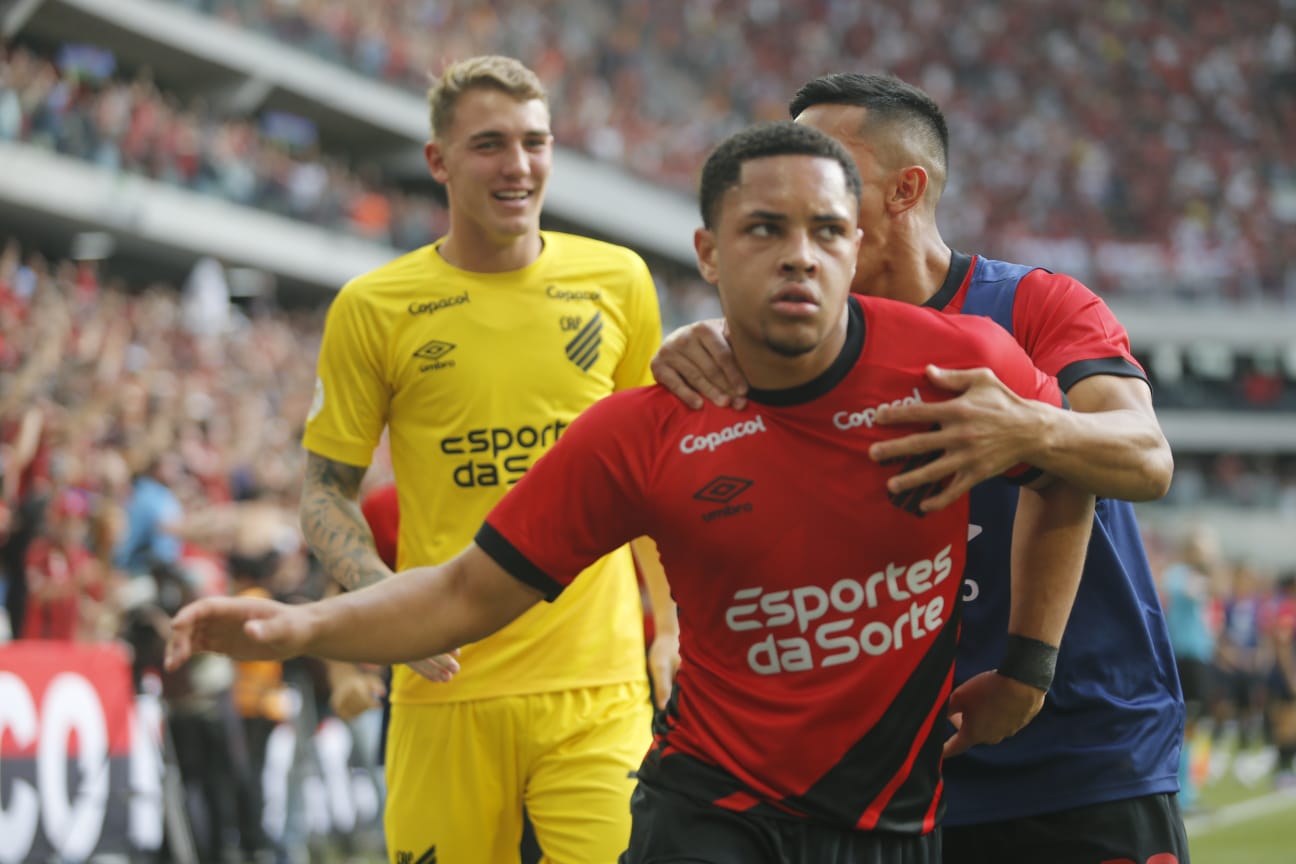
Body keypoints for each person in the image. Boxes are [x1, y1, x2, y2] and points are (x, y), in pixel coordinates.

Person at [167, 121, 1097, 864]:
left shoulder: (953, 365)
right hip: (708, 811)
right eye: (764, 230)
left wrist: (1029, 666)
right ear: (708, 251)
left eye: (825, 231)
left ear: (858, 245)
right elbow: (461, 593)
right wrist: (296, 628)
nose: (799, 256)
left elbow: (1073, 476)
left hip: (890, 824)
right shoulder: (637, 433)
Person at [650, 74, 1187, 863]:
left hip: (1081, 757)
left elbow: (1145, 457)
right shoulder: (794, 348)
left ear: (905, 190)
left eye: (831, 167)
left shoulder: (1037, 306)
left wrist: (1026, 425)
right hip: (885, 785)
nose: (806, 189)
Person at [293, 55, 673, 864]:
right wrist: (391, 603)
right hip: (444, 689)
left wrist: (672, 630)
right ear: (438, 160)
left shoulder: (618, 281)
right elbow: (324, 495)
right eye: (490, 144)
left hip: (596, 693)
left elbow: (654, 484)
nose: (518, 165)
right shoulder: (374, 308)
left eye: (535, 142)